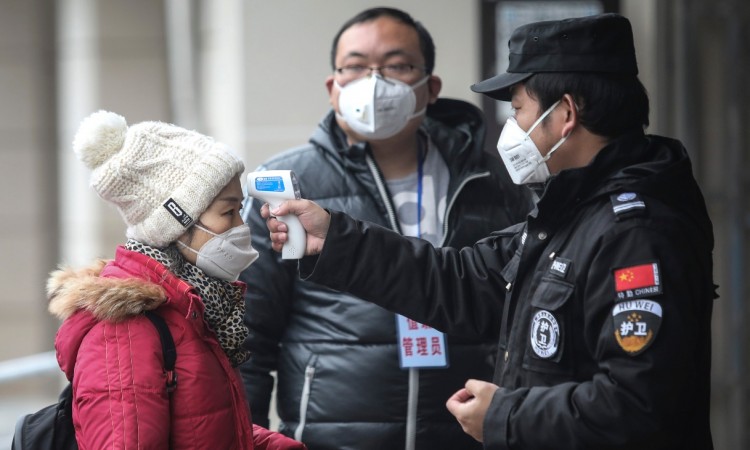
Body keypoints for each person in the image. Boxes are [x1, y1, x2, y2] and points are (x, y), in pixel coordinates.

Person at [259, 13, 716, 450]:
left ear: (565, 114)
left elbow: (638, 405)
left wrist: (503, 416)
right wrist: (333, 240)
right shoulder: (570, 213)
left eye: (518, 108)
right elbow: (466, 281)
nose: (511, 126)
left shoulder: (634, 231)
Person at [238, 7, 532, 450]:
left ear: (430, 87)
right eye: (354, 67)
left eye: (397, 66)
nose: (374, 82)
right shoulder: (286, 185)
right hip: (329, 437)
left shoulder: (493, 183)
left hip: (465, 433)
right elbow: (248, 337)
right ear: (333, 87)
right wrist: (245, 439)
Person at [47, 110, 306, 449]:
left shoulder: (192, 309)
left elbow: (201, 426)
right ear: (177, 222)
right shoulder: (124, 330)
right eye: (228, 213)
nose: (242, 229)